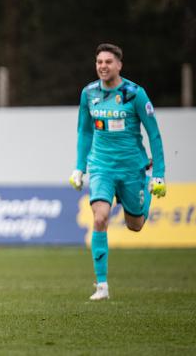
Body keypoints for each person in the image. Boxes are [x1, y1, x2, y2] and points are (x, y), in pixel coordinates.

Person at [69, 43, 166, 301]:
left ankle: (143, 189)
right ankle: (102, 285)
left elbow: (154, 134)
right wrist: (80, 167)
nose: (103, 66)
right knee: (100, 218)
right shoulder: (88, 94)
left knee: (135, 226)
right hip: (101, 167)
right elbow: (85, 131)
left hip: (132, 168)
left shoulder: (135, 94)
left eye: (108, 62)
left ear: (119, 65)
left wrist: (159, 173)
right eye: (99, 62)